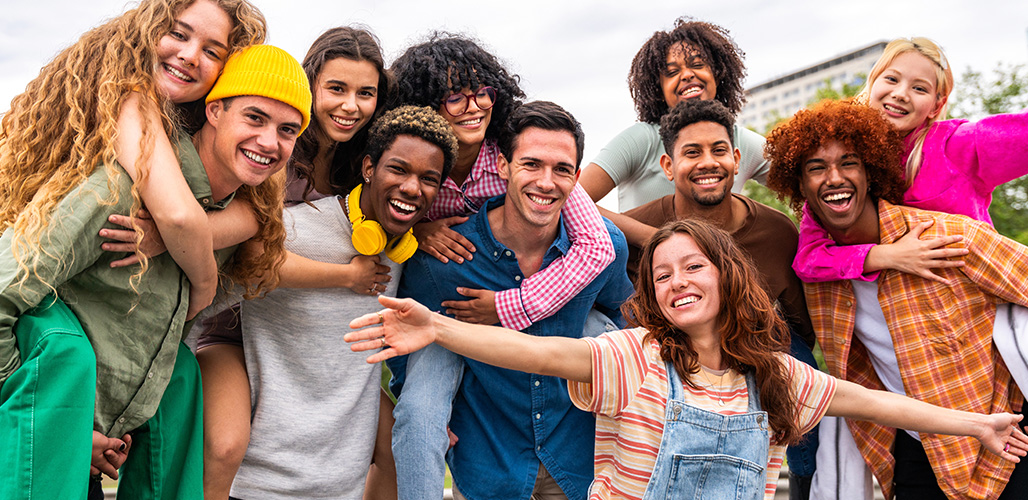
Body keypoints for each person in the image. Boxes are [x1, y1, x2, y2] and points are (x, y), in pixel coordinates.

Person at [347, 219, 1028, 500]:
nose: (676, 282)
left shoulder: (777, 377)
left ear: (727, 273)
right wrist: (435, 326)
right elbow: (538, 350)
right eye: (662, 275)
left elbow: (876, 403)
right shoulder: (631, 355)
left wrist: (978, 426)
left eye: (692, 266)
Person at [0, 43, 308, 499]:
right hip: (34, 442)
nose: (270, 142)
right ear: (216, 111)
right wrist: (51, 417)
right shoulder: (122, 190)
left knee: (183, 373)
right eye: (255, 118)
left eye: (288, 129)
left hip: (91, 450)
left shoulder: (228, 224)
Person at [389, 35, 617, 499]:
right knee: (420, 407)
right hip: (454, 298)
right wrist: (419, 233)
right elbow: (386, 220)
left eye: (481, 92)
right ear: (426, 105)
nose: (472, 105)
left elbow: (596, 245)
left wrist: (511, 306)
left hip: (535, 302)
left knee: (599, 324)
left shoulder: (510, 152)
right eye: (454, 96)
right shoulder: (415, 162)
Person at [765, 99, 1028, 499]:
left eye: (848, 163)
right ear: (799, 185)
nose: (834, 177)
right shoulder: (818, 278)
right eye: (816, 168)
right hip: (915, 449)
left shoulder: (943, 238)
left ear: (871, 172)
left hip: (1006, 439)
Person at [191, 26, 398, 499]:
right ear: (309, 89)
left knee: (395, 445)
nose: (351, 106)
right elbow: (255, 256)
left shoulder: (361, 165)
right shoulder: (274, 154)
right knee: (224, 447)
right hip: (235, 328)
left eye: (366, 93)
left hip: (315, 344)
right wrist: (347, 276)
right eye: (337, 89)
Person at [227, 105, 457, 500]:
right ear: (369, 168)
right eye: (398, 170)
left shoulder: (401, 252)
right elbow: (216, 290)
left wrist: (426, 417)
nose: (412, 188)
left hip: (344, 487)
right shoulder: (292, 231)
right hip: (256, 486)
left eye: (428, 179)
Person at [620, 98, 819, 496]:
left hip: (756, 357)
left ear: (737, 159)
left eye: (718, 150)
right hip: (673, 366)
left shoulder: (777, 231)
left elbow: (801, 327)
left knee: (800, 368)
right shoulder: (638, 229)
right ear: (668, 167)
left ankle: (804, 483)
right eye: (691, 152)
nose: (707, 162)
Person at [792, 37, 1028, 284]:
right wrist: (885, 256)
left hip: (977, 302)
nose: (901, 94)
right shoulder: (839, 164)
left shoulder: (959, 145)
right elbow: (809, 260)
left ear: (937, 105)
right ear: (873, 83)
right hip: (901, 315)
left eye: (919, 88)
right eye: (892, 79)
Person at [578, 17, 768, 246]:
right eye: (671, 72)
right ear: (658, 89)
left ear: (718, 73)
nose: (687, 75)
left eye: (697, 65)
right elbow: (572, 199)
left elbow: (805, 182)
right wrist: (655, 239)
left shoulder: (743, 141)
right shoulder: (641, 139)